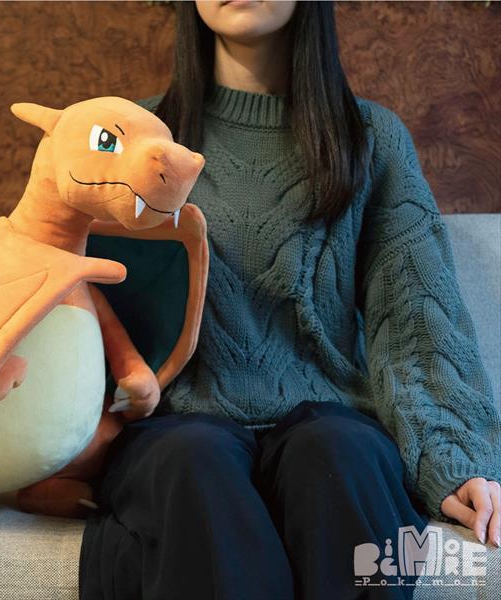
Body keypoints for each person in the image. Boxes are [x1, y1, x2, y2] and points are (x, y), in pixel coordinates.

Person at [79, 2, 501, 599]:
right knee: (193, 458)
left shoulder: (369, 137)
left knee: (338, 452)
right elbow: (73, 299)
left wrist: (454, 458)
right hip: (174, 432)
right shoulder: (128, 138)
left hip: (333, 425)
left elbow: (415, 317)